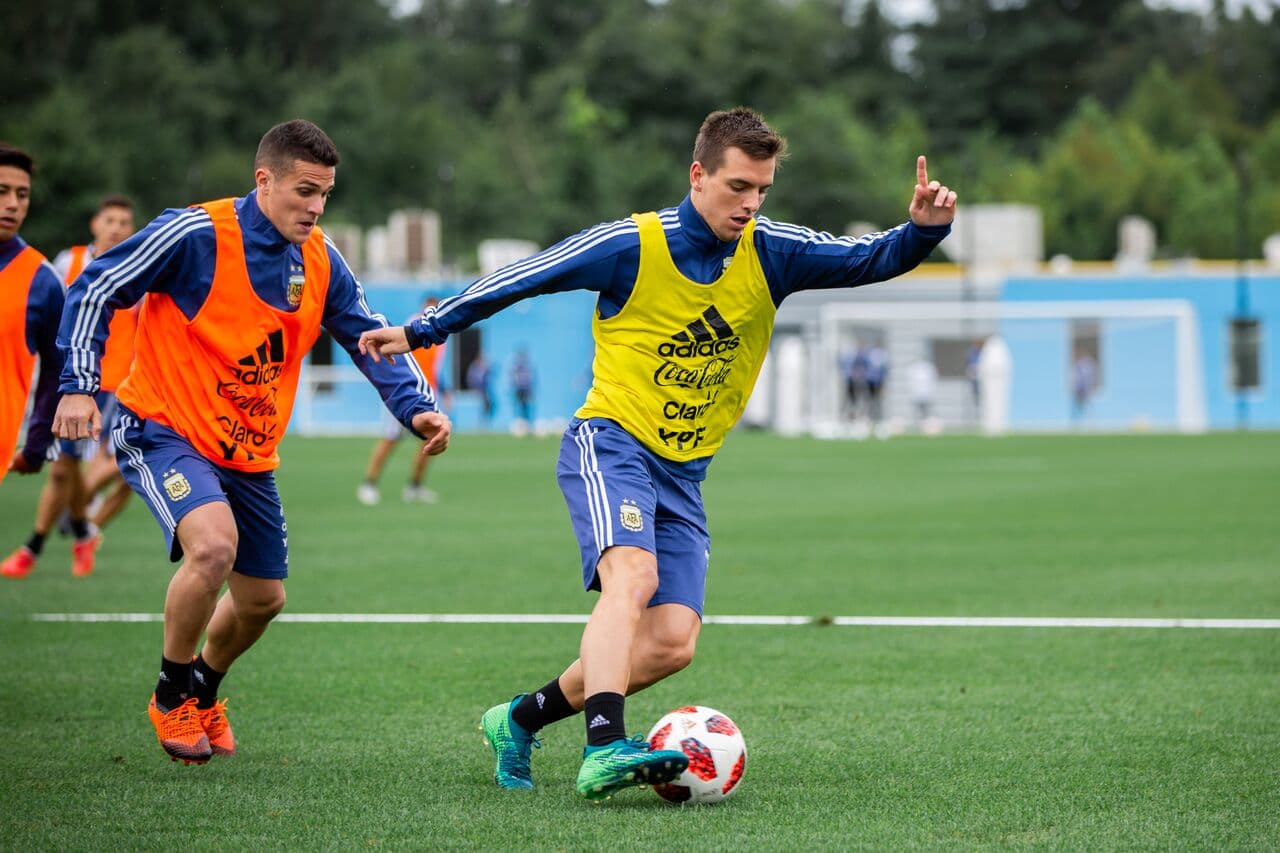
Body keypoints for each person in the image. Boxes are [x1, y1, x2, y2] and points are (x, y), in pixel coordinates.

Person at [359, 107, 957, 800]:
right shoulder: (632, 244)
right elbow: (525, 274)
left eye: (762, 189)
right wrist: (423, 327)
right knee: (632, 578)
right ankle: (605, 747)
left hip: (684, 473)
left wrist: (922, 231)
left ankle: (518, 719)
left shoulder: (771, 250)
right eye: (738, 186)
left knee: (673, 641)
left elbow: (867, 259)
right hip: (611, 440)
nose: (751, 203)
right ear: (697, 175)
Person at [52, 120, 451, 765]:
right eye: (304, 191)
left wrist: (418, 409)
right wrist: (77, 383)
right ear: (264, 180)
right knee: (212, 548)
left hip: (247, 449)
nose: (316, 208)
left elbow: (368, 335)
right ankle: (170, 693)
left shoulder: (320, 258)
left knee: (264, 601)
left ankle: (205, 686)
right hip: (162, 424)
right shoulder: (196, 234)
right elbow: (97, 284)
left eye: (325, 194)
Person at [2, 195, 136, 579]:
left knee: (124, 472)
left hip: (124, 387)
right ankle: (70, 533)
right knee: (63, 469)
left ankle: (63, 535)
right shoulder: (66, 264)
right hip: (78, 384)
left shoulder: (141, 266)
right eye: (109, 220)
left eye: (124, 222)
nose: (116, 228)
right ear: (94, 223)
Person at [0, 144, 64, 507]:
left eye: (21, 194)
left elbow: (57, 369)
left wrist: (37, 445)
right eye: (2, 192)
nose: (13, 204)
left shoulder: (42, 281)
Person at [358, 296, 449, 505]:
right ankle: (369, 484)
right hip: (407, 392)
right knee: (390, 440)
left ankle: (414, 487)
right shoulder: (412, 327)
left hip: (429, 394)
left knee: (431, 440)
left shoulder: (440, 335)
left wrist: (443, 391)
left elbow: (434, 368)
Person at [509, 347, 536, 434]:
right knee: (519, 408)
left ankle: (527, 426)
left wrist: (531, 389)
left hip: (526, 390)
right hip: (519, 390)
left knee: (526, 408)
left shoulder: (528, 366)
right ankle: (520, 427)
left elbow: (530, 379)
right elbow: (513, 378)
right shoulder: (516, 367)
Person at [1071, 350, 1098, 423]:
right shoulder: (1078, 366)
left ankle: (1090, 422)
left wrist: (1091, 387)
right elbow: (1076, 378)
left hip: (1086, 389)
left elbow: (1091, 377)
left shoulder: (1088, 365)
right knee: (1078, 407)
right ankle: (1077, 422)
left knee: (1089, 406)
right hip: (1080, 390)